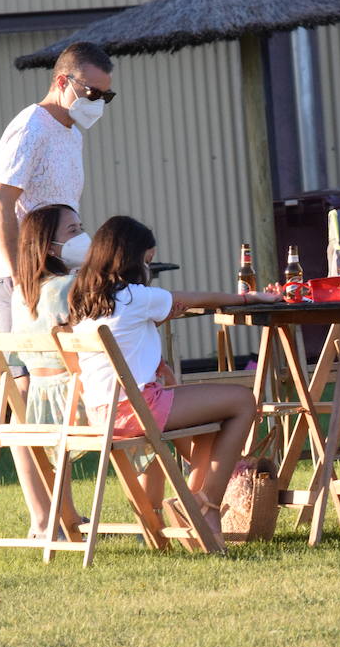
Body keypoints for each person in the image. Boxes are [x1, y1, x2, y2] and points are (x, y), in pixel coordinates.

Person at [65, 216, 278, 536]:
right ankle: (207, 506)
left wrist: (161, 316)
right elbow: (193, 299)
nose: (149, 269)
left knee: (212, 420)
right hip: (138, 408)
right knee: (243, 400)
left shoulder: (86, 299)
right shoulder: (135, 295)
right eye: (147, 260)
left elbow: (129, 336)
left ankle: (192, 503)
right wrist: (250, 298)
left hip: (103, 413)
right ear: (134, 259)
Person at [0, 42, 115, 334]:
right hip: (21, 277)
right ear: (61, 81)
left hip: (60, 276)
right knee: (27, 377)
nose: (97, 102)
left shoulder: (72, 134)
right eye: (92, 93)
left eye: (106, 96)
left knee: (70, 373)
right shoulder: (30, 128)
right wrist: (22, 279)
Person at [7, 204, 88, 532]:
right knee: (150, 398)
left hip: (37, 404)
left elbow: (16, 359)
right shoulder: (71, 287)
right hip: (79, 403)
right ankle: (151, 513)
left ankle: (44, 520)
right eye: (73, 231)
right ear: (47, 245)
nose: (83, 236)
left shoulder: (20, 293)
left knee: (19, 417)